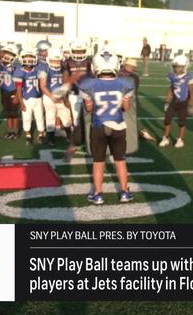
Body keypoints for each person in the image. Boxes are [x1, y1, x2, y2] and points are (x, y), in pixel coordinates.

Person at [79, 53, 135, 205]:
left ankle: (98, 194)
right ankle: (124, 192)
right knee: (120, 161)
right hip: (118, 125)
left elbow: (89, 108)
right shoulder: (125, 83)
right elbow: (126, 107)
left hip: (99, 126)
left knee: (98, 162)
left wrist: (89, 102)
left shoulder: (89, 84)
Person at [63, 40, 93, 159]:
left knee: (88, 119)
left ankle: (87, 141)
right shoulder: (67, 63)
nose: (80, 53)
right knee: (76, 120)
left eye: (81, 51)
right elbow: (65, 80)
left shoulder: (89, 62)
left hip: (87, 94)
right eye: (77, 51)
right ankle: (77, 142)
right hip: (74, 94)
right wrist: (65, 95)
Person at [159, 55, 193, 148]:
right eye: (175, 66)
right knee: (167, 119)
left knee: (181, 122)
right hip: (174, 101)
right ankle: (166, 137)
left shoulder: (188, 77)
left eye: (179, 66)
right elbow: (171, 88)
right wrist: (167, 100)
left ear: (185, 66)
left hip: (183, 102)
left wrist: (191, 104)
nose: (176, 69)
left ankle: (180, 139)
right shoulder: (172, 76)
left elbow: (191, 92)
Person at [38, 48, 72, 146]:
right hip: (49, 96)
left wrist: (64, 96)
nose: (56, 62)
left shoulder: (63, 68)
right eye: (54, 60)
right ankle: (51, 139)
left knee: (66, 116)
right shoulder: (44, 68)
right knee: (50, 117)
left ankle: (70, 136)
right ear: (49, 59)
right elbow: (42, 86)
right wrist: (52, 96)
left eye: (58, 60)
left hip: (61, 96)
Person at [119, 58, 156, 142]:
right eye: (128, 66)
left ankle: (142, 133)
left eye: (131, 66)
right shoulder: (120, 74)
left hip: (129, 100)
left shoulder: (134, 77)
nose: (129, 67)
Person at [14, 49, 45, 145]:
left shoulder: (38, 69)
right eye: (26, 56)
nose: (29, 59)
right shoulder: (19, 71)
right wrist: (21, 102)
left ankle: (41, 134)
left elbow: (42, 85)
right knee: (26, 117)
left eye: (31, 56)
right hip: (26, 98)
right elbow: (18, 89)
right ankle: (28, 135)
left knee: (39, 117)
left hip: (38, 97)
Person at [0, 44, 21, 139]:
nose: (8, 55)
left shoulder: (16, 67)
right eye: (6, 53)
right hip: (4, 92)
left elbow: (19, 84)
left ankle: (15, 132)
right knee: (7, 113)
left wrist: (17, 95)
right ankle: (9, 131)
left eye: (10, 53)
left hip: (13, 91)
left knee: (14, 113)